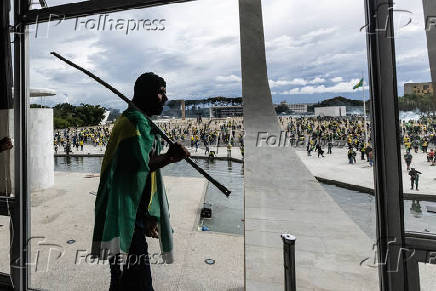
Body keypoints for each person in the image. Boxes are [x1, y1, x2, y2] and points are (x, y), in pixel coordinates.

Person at [91, 73, 190, 291]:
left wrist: (148, 215)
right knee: (138, 282)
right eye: (161, 91)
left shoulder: (140, 122)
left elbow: (143, 171)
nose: (165, 98)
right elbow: (140, 166)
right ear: (146, 93)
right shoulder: (132, 124)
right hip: (122, 213)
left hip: (132, 214)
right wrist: (169, 157)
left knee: (123, 281)